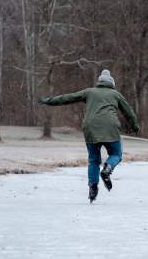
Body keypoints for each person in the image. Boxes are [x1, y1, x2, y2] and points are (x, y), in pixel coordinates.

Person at [38, 69, 139, 203]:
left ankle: (92, 188)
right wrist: (134, 126)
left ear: (99, 81)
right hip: (110, 127)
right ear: (112, 83)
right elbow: (129, 112)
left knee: (93, 160)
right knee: (116, 154)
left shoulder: (89, 92)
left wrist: (49, 101)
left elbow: (68, 97)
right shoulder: (116, 94)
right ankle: (108, 168)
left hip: (91, 128)